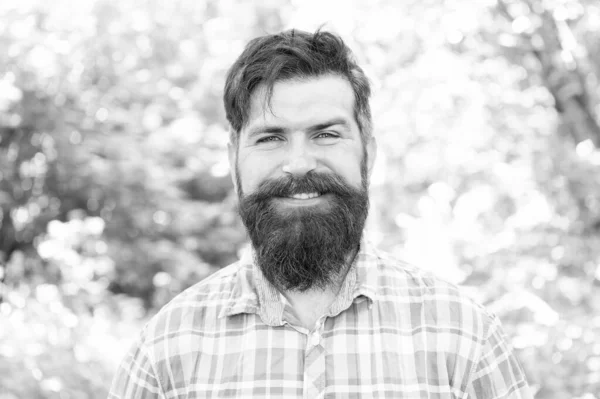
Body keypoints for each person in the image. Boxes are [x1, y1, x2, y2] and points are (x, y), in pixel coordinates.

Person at [109, 29, 532, 398]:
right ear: (233, 158)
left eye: (326, 134)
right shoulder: (165, 351)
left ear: (369, 150)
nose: (298, 163)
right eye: (271, 138)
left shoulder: (466, 338)